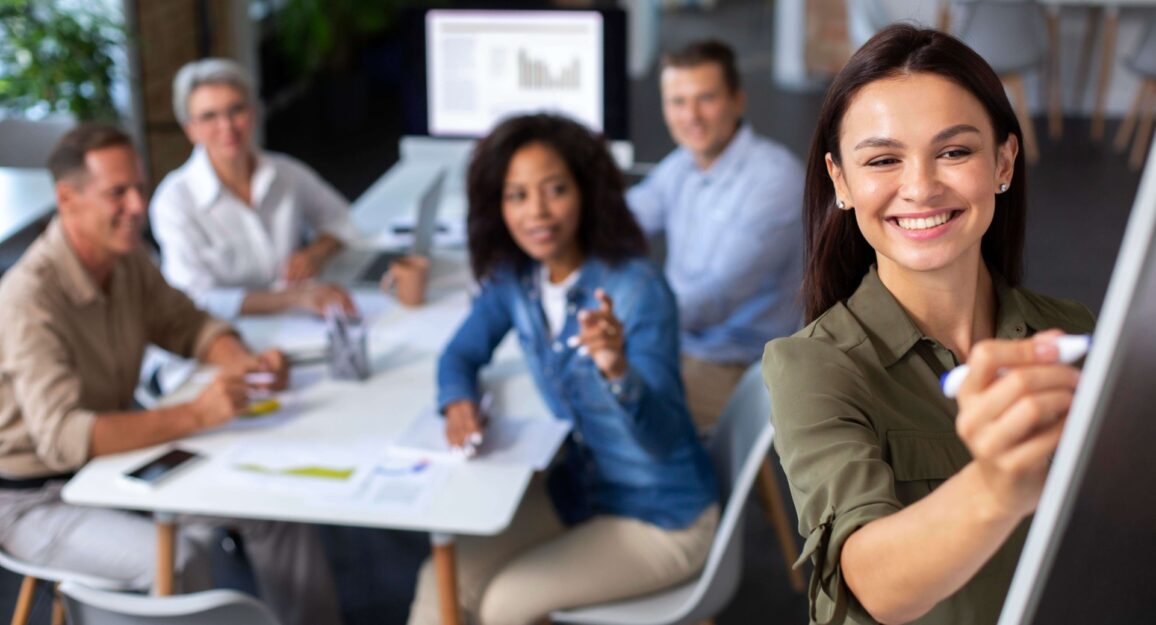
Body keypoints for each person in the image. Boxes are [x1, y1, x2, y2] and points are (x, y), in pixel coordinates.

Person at [763, 25, 1095, 625]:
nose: (919, 187)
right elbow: (878, 588)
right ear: (841, 181)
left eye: (954, 151)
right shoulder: (814, 365)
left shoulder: (1072, 333)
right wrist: (998, 486)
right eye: (884, 159)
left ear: (1003, 162)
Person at [0, 125, 343, 625]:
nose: (139, 205)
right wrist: (199, 413)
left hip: (118, 466)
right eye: (118, 192)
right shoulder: (28, 298)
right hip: (36, 498)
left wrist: (238, 360)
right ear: (67, 199)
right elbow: (64, 438)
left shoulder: (127, 259)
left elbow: (189, 324)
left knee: (274, 507)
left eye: (139, 186)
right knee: (178, 559)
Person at [406, 114, 719, 625]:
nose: (537, 213)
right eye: (517, 196)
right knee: (439, 582)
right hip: (579, 494)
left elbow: (664, 438)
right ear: (497, 205)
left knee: (504, 605)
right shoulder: (517, 278)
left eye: (554, 189)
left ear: (585, 191)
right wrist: (457, 401)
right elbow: (459, 354)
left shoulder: (637, 290)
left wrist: (618, 370)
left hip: (662, 516)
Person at [627, 39, 805, 430]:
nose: (690, 116)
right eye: (677, 101)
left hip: (733, 367)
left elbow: (716, 299)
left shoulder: (774, 181)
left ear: (737, 101)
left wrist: (627, 315)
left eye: (705, 98)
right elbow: (622, 222)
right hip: (677, 345)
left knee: (608, 405)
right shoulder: (683, 165)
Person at [150, 57, 356, 320]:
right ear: (191, 130)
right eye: (209, 116)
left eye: (236, 110)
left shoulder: (285, 172)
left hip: (300, 321)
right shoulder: (174, 201)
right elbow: (194, 296)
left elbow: (342, 219)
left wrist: (316, 253)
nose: (227, 126)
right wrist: (292, 298)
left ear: (254, 112)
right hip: (233, 332)